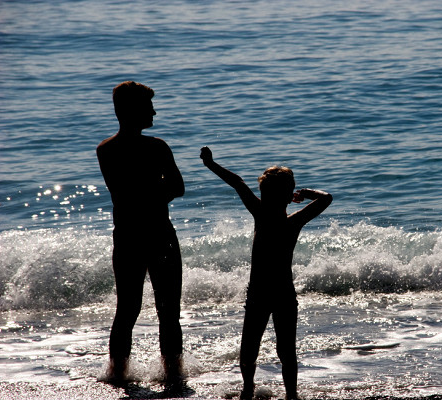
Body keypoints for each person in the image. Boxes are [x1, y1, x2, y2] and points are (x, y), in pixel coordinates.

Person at [200, 146, 332, 400]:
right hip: (283, 292)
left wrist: (210, 164)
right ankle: (291, 395)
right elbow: (326, 198)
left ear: (262, 192)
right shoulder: (293, 222)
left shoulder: (260, 213)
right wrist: (305, 193)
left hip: (259, 292)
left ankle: (248, 389)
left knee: (250, 347)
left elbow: (237, 182)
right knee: (286, 350)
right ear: (288, 195)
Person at [97, 81, 185, 384]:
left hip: (127, 235)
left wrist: (144, 192)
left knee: (127, 310)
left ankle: (117, 375)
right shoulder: (156, 147)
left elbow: (124, 194)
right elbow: (177, 187)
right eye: (148, 106)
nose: (154, 111)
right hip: (159, 233)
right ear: (133, 110)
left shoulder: (106, 150)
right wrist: (154, 190)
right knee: (168, 310)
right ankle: (173, 375)